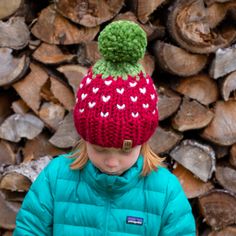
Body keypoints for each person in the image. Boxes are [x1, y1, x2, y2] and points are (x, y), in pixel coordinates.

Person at [13, 20, 196, 236]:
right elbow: (29, 230)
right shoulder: (56, 178)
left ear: (142, 142)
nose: (111, 162)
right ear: (85, 138)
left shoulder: (165, 190)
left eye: (125, 150)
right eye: (100, 148)